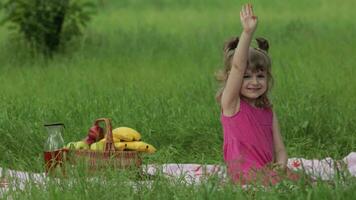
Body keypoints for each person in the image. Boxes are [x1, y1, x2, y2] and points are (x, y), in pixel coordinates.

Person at [216, 3, 298, 185]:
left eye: (260, 76)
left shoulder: (268, 109)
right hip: (244, 175)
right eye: (246, 77)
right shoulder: (231, 104)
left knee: (309, 183)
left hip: (269, 173)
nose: (254, 82)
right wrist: (247, 33)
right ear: (233, 79)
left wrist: (282, 165)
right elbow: (238, 67)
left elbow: (280, 149)